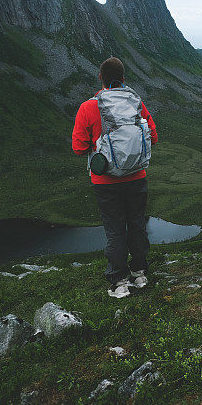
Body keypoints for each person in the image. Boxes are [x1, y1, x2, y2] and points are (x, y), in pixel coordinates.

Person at [71, 57, 158, 298]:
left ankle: (119, 281)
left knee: (115, 230)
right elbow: (153, 136)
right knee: (137, 225)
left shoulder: (88, 107)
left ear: (100, 78)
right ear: (123, 78)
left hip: (105, 183)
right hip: (136, 177)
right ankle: (140, 273)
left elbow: (78, 148)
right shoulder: (136, 103)